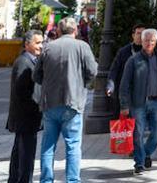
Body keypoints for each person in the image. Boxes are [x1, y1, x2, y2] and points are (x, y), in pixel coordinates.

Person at [34, 16, 97, 183]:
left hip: (50, 103)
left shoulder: (48, 48)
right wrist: (82, 84)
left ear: (59, 31)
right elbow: (93, 71)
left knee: (48, 145)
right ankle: (72, 180)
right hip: (73, 102)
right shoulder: (82, 47)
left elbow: (36, 75)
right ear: (75, 31)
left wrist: (48, 84)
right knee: (73, 146)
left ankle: (46, 180)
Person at [119, 29, 157, 175]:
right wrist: (124, 105)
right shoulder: (133, 60)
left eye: (152, 41)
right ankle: (139, 163)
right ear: (141, 42)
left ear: (156, 42)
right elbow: (124, 85)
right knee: (138, 133)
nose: (149, 43)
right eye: (146, 40)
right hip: (138, 103)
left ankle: (146, 152)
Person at [6, 31, 44, 183]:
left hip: (26, 117)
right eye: (37, 43)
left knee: (19, 153)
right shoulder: (23, 62)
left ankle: (15, 179)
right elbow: (21, 92)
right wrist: (36, 108)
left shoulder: (32, 60)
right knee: (26, 156)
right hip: (25, 117)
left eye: (42, 42)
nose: (41, 46)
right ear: (27, 44)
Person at [108, 24, 144, 98]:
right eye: (138, 33)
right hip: (126, 92)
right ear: (133, 35)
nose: (140, 36)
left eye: (143, 34)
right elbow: (114, 70)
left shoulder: (149, 52)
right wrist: (110, 86)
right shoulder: (123, 52)